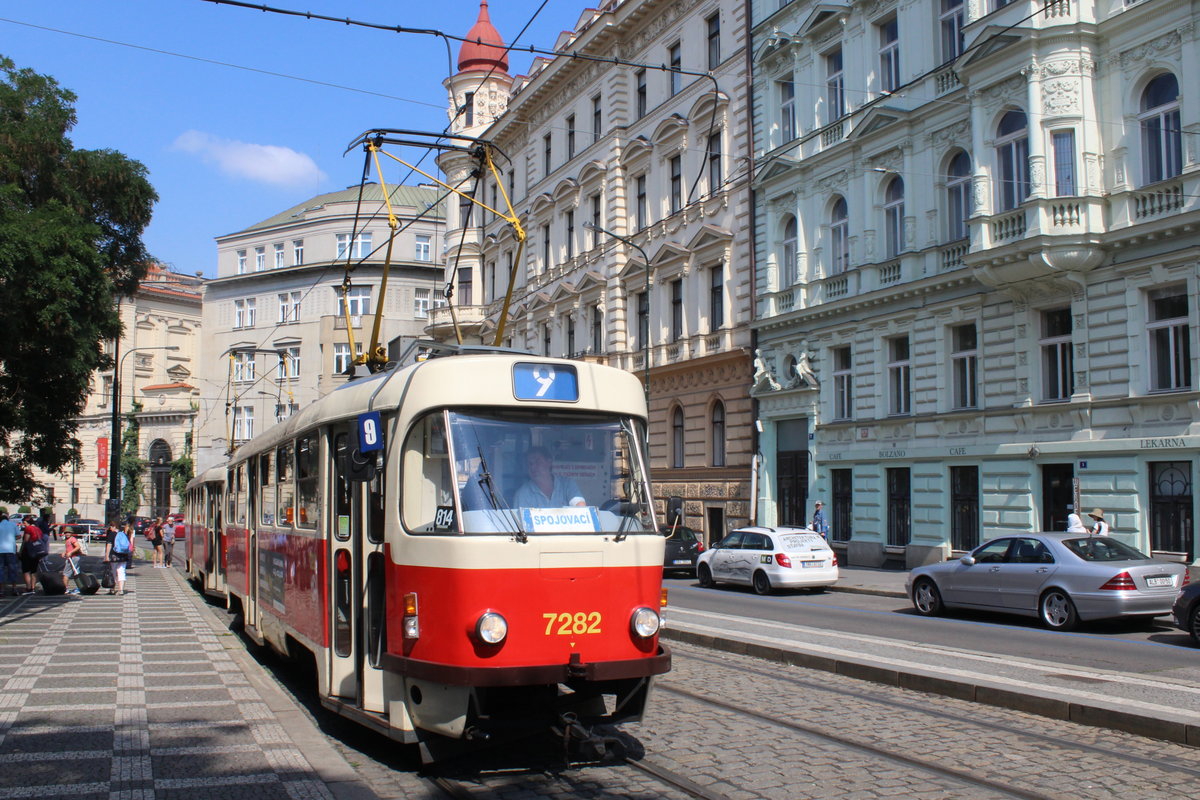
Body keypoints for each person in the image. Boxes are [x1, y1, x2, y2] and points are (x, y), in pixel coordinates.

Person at [512, 447, 585, 508]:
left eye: (537, 462)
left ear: (549, 462)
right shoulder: (523, 494)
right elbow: (522, 523)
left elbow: (581, 508)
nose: (533, 467)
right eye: (530, 464)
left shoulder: (567, 484)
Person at [19, 519, 48, 594]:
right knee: (34, 570)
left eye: (24, 523)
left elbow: (26, 540)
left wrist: (20, 551)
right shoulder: (38, 529)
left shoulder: (28, 528)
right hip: (37, 551)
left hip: (28, 551)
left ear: (28, 523)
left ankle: (28, 588)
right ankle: (33, 587)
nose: (23, 525)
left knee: (26, 570)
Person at [104, 522, 131, 595]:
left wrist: (106, 556)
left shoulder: (112, 534)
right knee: (121, 572)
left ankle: (112, 589)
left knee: (113, 572)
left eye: (110, 526)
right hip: (123, 555)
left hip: (114, 556)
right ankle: (121, 590)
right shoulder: (124, 534)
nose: (110, 528)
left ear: (113, 526)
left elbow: (109, 545)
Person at [0, 512, 21, 597]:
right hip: (10, 550)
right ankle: (14, 588)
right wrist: (12, 538)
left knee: (1, 570)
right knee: (12, 569)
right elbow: (19, 536)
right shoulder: (13, 525)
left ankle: (1, 590)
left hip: (0, 550)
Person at [62, 527, 82, 595]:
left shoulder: (72, 539)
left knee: (66, 574)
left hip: (73, 558)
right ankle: (80, 587)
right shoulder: (68, 539)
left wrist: (70, 553)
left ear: (71, 533)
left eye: (69, 532)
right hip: (74, 557)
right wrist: (65, 552)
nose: (67, 534)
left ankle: (65, 589)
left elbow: (78, 547)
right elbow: (69, 548)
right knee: (76, 573)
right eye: (66, 532)